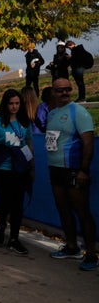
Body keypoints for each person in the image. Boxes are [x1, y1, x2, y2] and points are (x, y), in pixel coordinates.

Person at [45, 78, 97, 271]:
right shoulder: (52, 113)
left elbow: (88, 144)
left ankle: (91, 253)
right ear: (53, 92)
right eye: (60, 90)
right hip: (55, 168)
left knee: (81, 211)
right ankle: (71, 246)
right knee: (63, 208)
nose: (64, 93)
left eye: (67, 89)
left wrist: (84, 169)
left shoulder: (79, 112)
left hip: (74, 169)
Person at [0, 89, 34, 255]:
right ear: (5, 104)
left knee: (17, 204)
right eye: (11, 103)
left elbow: (28, 143)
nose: (14, 107)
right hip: (3, 167)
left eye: (17, 103)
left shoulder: (24, 122)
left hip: (20, 168)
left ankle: (14, 238)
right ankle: (1, 225)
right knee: (4, 201)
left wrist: (31, 164)